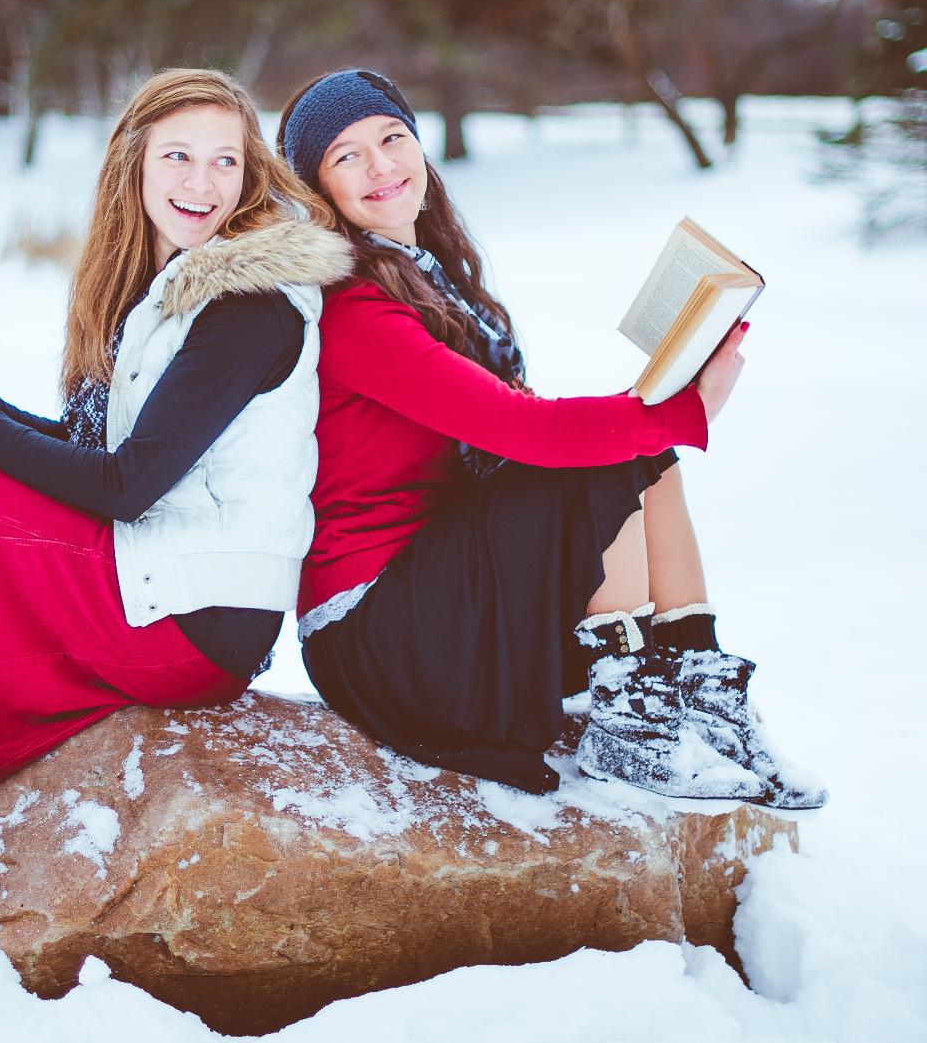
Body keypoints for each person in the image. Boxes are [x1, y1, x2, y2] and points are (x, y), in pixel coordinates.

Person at [0, 68, 352, 799]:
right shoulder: (173, 290)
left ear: (247, 178)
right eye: (178, 155)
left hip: (198, 622)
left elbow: (127, 485)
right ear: (135, 164)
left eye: (225, 161)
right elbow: (104, 457)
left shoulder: (246, 305)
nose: (202, 182)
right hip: (173, 578)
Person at [276, 68, 826, 806]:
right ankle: (628, 718)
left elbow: (519, 424)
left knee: (635, 453)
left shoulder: (435, 280)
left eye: (391, 138)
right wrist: (679, 412)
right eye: (346, 156)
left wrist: (661, 401)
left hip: (445, 590)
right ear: (319, 190)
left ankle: (705, 695)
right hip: (379, 630)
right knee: (599, 455)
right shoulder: (354, 307)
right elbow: (520, 430)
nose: (380, 166)